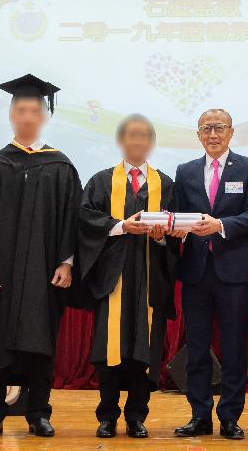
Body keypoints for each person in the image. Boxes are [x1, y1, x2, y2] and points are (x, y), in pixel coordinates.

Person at [0, 74, 81, 438]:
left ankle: (39, 412)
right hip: (3, 273)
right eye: (21, 109)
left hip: (45, 274)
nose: (28, 116)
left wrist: (67, 261)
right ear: (11, 114)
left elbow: (71, 218)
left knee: (41, 342)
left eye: (34, 110)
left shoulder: (61, 167)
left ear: (44, 115)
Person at [78, 114, 177, 439]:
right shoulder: (102, 181)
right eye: (131, 136)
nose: (137, 141)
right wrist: (121, 226)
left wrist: (162, 235)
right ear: (122, 141)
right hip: (115, 280)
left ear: (150, 143)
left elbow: (177, 231)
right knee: (110, 350)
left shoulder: (166, 184)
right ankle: (107, 416)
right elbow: (87, 220)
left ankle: (137, 416)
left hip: (150, 279)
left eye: (144, 136)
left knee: (143, 352)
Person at [170, 108, 248, 440]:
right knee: (196, 349)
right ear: (198, 135)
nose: (213, 134)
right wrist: (172, 228)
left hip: (234, 273)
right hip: (196, 273)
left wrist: (221, 225)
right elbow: (178, 215)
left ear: (231, 132)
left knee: (234, 348)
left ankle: (229, 417)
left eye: (219, 128)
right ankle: (199, 415)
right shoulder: (185, 171)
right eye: (206, 129)